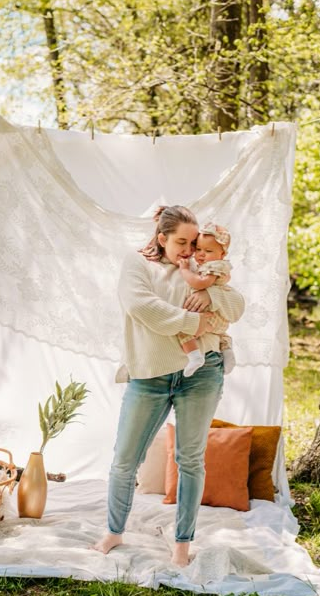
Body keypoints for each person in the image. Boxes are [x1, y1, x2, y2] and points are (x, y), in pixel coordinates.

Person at [91, 205, 245, 567]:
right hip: (150, 375)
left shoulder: (200, 269)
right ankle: (114, 531)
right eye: (181, 242)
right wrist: (197, 322)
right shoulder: (137, 264)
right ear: (161, 238)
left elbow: (236, 305)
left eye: (194, 242)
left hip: (202, 372)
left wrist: (213, 297)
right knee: (125, 460)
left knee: (190, 460)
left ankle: (182, 543)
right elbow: (143, 307)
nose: (190, 250)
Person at [177, 222, 236, 378]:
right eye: (198, 249)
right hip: (216, 317)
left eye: (208, 251)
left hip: (209, 315)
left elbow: (200, 283)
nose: (201, 254)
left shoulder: (214, 266)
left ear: (222, 254)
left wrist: (184, 270)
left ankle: (195, 356)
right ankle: (228, 351)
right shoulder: (214, 265)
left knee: (184, 331)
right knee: (221, 334)